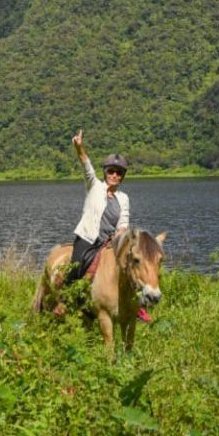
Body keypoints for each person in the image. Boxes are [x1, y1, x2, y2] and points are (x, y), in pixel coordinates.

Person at [61, 131, 140, 313]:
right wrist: (79, 147)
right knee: (76, 267)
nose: (114, 175)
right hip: (88, 239)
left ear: (122, 176)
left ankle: (135, 304)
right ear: (105, 172)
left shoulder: (123, 198)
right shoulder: (94, 186)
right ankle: (65, 302)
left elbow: (123, 222)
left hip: (108, 243)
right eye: (111, 171)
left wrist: (120, 236)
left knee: (132, 266)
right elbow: (86, 165)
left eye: (118, 173)